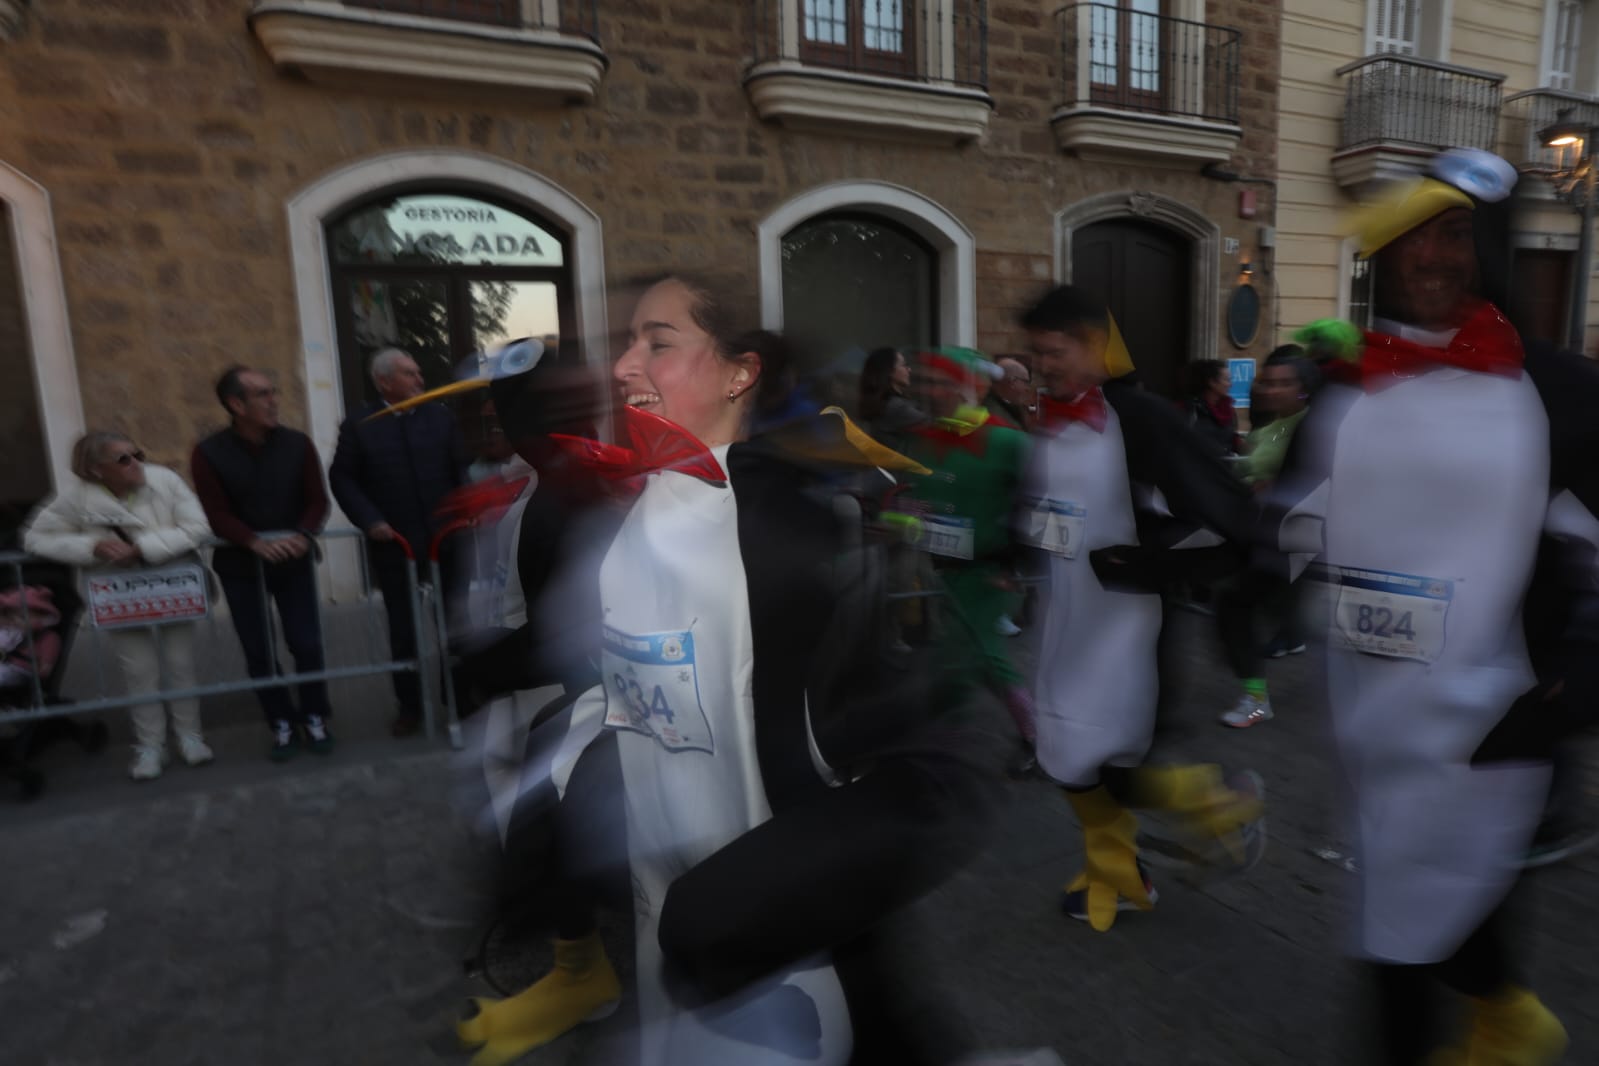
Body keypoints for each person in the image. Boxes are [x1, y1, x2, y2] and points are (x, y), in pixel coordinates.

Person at [455, 276, 1000, 1066]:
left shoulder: (793, 538)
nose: (623, 368)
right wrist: (554, 794)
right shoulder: (629, 526)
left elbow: (944, 764)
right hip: (668, 961)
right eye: (626, 344)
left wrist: (741, 902)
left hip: (788, 973)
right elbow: (633, 699)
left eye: (658, 343)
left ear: (738, 373)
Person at [1279, 149, 1583, 1064]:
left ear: (1489, 246)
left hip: (1502, 736)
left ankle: (1499, 1027)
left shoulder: (1565, 394)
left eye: (1454, 233)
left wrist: (1574, 694)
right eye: (1411, 234)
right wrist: (1260, 576)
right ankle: (1509, 1021)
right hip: (1372, 728)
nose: (1429, 256)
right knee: (1405, 926)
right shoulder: (1347, 389)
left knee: (1408, 946)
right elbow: (1296, 521)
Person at [1019, 285, 1266, 931]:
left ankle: (1212, 805)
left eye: (1054, 350)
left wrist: (1147, 562)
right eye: (1036, 352)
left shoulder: (1139, 419)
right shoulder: (1049, 426)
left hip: (1125, 632)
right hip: (1062, 623)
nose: (1043, 364)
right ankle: (1123, 872)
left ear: (1095, 348)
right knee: (1065, 756)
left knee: (1100, 765)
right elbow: (1043, 522)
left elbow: (1228, 518)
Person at [24, 431, 213, 780]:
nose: (136, 464)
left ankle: (190, 737)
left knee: (180, 664)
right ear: (96, 469)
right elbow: (35, 537)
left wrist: (143, 547)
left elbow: (198, 525)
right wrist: (91, 546)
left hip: (170, 586)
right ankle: (150, 746)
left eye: (137, 454)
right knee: (138, 672)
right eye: (124, 459)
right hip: (120, 595)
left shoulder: (164, 481)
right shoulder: (78, 498)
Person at [193, 366, 335, 761]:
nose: (274, 401)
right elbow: (215, 513)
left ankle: (315, 715)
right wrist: (251, 542)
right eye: (262, 394)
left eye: (274, 392)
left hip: (293, 561)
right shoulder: (208, 453)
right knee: (258, 650)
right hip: (241, 567)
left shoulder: (297, 444)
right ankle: (281, 722)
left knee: (306, 643)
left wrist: (303, 534)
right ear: (236, 404)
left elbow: (317, 500)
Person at [329, 347, 468, 738]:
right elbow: (343, 478)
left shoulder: (439, 417)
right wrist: (370, 519)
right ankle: (409, 707)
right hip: (395, 542)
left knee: (455, 625)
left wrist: (465, 508)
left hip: (445, 540)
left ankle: (458, 700)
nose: (419, 380)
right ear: (384, 381)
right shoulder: (360, 423)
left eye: (418, 372)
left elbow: (459, 468)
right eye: (409, 374)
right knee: (403, 629)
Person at [1213, 345, 1322, 729]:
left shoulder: (1313, 425)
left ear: (1304, 388)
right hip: (1270, 538)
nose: (1273, 390)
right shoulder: (1272, 425)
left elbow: (1317, 479)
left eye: (1285, 383)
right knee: (1235, 607)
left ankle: (1257, 699)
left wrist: (1270, 486)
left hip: (1298, 542)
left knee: (1235, 608)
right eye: (1268, 382)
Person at [856, 346, 925, 452]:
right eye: (904, 365)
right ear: (890, 371)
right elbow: (936, 429)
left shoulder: (881, 404)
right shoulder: (896, 407)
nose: (909, 370)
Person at [1182, 358, 1240, 455]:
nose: (1230, 384)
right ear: (1212, 382)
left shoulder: (1228, 410)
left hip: (1223, 467)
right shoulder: (1190, 410)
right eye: (1227, 380)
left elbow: (1232, 438)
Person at [987, 355, 1034, 432]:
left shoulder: (1012, 408)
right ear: (1013, 382)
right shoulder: (994, 416)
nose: (1027, 388)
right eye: (1025, 382)